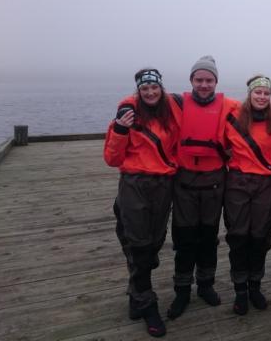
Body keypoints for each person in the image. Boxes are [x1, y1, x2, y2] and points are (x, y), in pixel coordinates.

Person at [104, 68, 181, 338]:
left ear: (161, 88)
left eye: (154, 87)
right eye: (144, 88)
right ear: (138, 90)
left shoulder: (170, 111)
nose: (150, 92)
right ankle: (149, 306)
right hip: (134, 183)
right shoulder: (126, 114)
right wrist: (121, 130)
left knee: (155, 241)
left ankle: (136, 295)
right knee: (139, 246)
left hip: (163, 185)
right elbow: (112, 159)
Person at [167, 56, 239, 320]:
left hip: (214, 182)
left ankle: (206, 285)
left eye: (209, 80)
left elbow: (260, 107)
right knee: (185, 240)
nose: (204, 85)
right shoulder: (176, 103)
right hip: (184, 182)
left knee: (208, 238)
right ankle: (182, 290)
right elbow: (142, 98)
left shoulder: (229, 105)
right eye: (199, 80)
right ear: (191, 81)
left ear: (216, 82)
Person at [224, 75, 271, 315]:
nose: (261, 97)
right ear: (249, 94)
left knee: (260, 236)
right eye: (257, 92)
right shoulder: (233, 117)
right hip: (238, 181)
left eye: (266, 93)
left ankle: (255, 286)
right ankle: (240, 291)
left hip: (266, 184)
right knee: (238, 236)